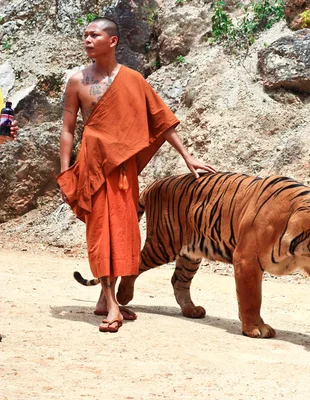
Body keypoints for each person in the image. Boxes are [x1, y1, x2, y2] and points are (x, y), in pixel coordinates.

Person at [57, 17, 216, 333]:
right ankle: (113, 305)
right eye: (85, 35)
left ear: (112, 41)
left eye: (94, 35)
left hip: (124, 170)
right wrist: (65, 172)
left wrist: (187, 157)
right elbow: (67, 129)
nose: (87, 40)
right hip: (93, 166)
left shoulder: (133, 80)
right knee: (101, 233)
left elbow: (161, 120)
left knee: (124, 232)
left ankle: (106, 300)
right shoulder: (77, 81)